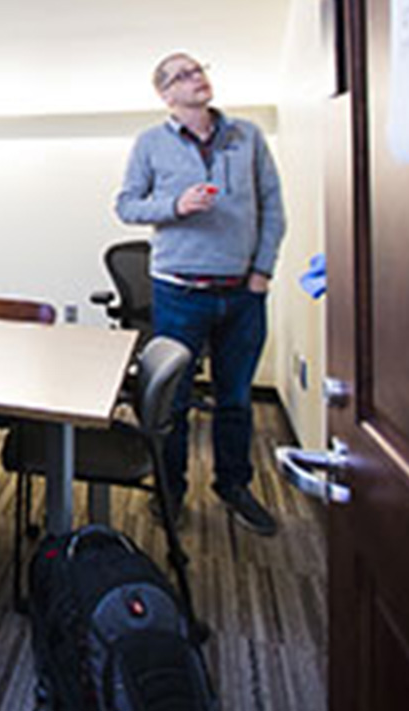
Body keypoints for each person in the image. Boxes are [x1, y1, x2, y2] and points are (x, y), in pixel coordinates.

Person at [115, 53, 286, 536]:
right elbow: (126, 205)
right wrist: (175, 204)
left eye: (199, 70)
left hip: (242, 294)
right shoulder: (149, 144)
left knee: (235, 399)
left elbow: (273, 207)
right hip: (179, 293)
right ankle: (171, 490)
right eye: (183, 76)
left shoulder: (246, 136)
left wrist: (261, 273)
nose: (197, 79)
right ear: (165, 95)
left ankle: (234, 486)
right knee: (174, 401)